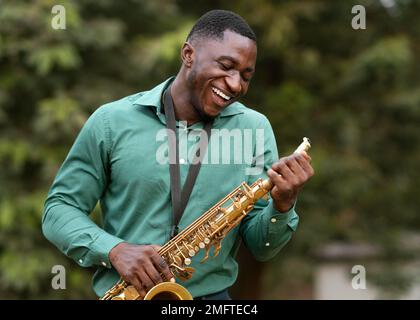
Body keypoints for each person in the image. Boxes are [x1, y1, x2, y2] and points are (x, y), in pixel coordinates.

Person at [42, 9, 314, 300]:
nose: (236, 84)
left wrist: (282, 205)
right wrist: (114, 250)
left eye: (246, 76)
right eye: (226, 66)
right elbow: (59, 209)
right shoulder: (111, 122)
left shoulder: (254, 128)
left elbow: (262, 247)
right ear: (188, 54)